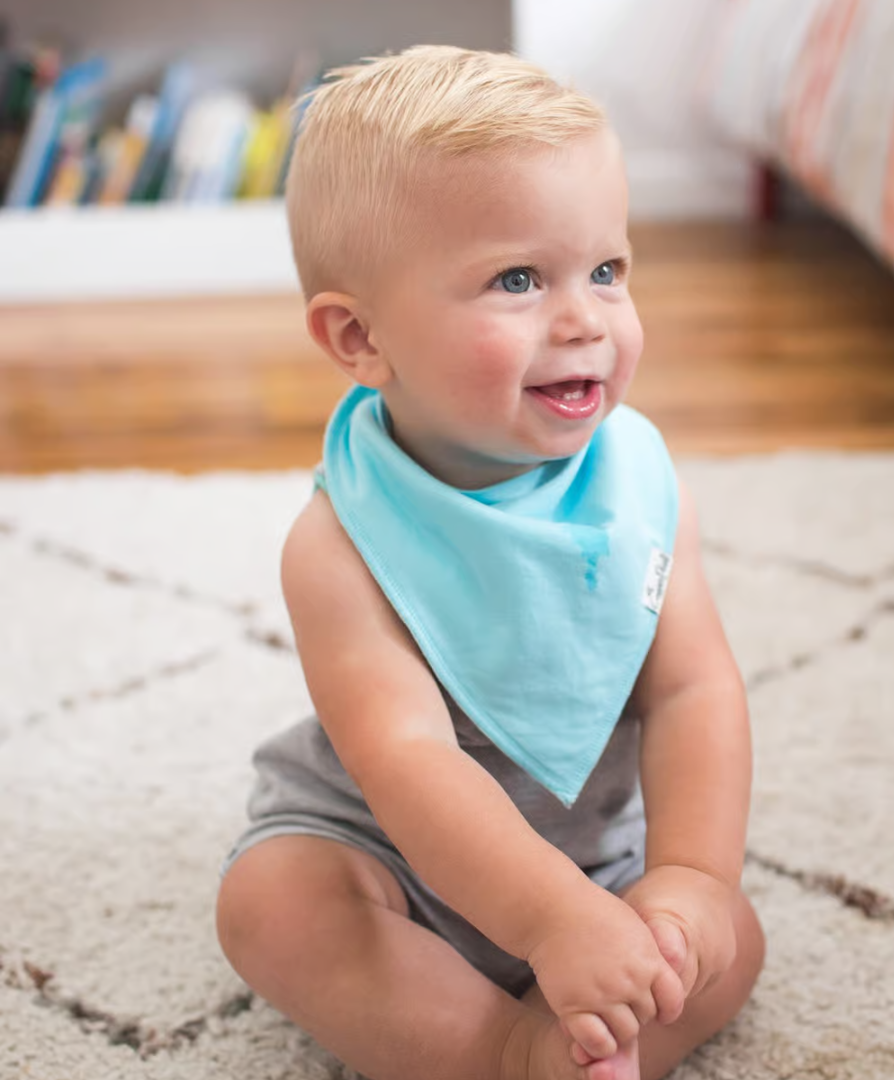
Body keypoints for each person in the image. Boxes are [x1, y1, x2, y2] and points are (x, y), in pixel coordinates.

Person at [216, 44, 764, 1080]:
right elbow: (409, 764)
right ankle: (507, 1051)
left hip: (597, 849)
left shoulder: (638, 486)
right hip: (390, 852)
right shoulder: (341, 545)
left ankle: (607, 1036)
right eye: (518, 279)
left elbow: (695, 688)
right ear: (359, 337)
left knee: (731, 942)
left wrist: (689, 879)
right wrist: (553, 923)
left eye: (607, 270)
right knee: (273, 907)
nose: (584, 318)